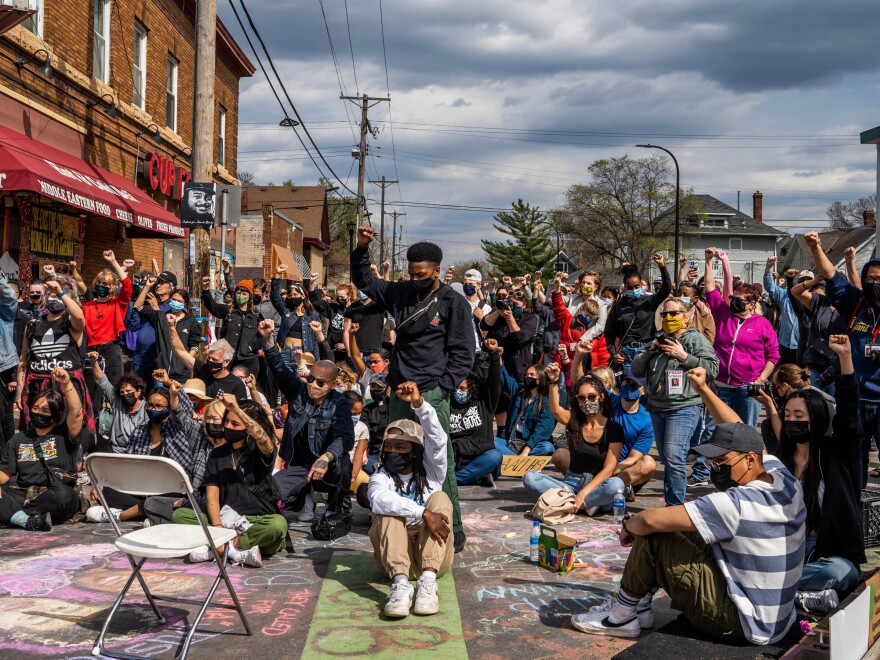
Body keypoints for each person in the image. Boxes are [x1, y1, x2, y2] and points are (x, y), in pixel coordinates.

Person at [570, 384, 806, 644]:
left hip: (743, 623)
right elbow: (740, 428)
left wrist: (629, 525)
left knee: (654, 533)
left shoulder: (737, 503)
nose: (717, 469)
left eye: (722, 462)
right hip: (776, 618)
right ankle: (641, 605)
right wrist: (703, 388)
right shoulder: (782, 476)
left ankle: (622, 616)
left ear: (750, 460)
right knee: (681, 524)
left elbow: (647, 521)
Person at [352, 227, 475, 552]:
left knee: (439, 457)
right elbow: (365, 281)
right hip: (399, 390)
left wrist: (443, 387)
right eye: (412, 274)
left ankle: (453, 525)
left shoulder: (453, 302)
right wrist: (362, 248)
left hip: (433, 391)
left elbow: (464, 352)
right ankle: (399, 512)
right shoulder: (400, 292)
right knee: (395, 451)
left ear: (436, 270)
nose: (416, 279)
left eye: (422, 275)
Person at [771, 335, 864, 612]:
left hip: (829, 553)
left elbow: (849, 415)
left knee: (839, 573)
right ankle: (798, 595)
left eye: (800, 416)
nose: (792, 421)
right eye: (788, 415)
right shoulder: (781, 461)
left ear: (818, 417)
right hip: (788, 549)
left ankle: (772, 588)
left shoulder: (836, 454)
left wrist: (845, 359)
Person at [368, 381, 454, 618]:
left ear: (415, 450)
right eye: (389, 447)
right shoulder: (380, 477)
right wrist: (423, 513)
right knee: (387, 508)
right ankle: (401, 586)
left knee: (440, 497)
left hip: (433, 561)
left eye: (401, 446)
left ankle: (427, 586)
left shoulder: (432, 472)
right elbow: (378, 499)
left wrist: (419, 404)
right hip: (395, 561)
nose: (393, 452)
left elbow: (438, 440)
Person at [258, 319, 354, 523]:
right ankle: (303, 497)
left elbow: (344, 438)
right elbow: (280, 370)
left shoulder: (339, 403)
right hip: (299, 465)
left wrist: (325, 458)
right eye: (311, 378)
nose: (313, 384)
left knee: (343, 464)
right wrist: (268, 339)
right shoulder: (298, 392)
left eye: (320, 382)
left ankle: (336, 507)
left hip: (326, 463)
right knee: (268, 493)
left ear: (331, 384)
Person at [174, 396, 287, 567]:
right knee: (180, 516)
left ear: (249, 429)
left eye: (235, 424)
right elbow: (212, 493)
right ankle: (237, 550)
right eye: (226, 421)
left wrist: (238, 410)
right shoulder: (217, 454)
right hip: (224, 520)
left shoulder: (259, 451)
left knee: (277, 525)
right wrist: (218, 527)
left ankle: (219, 548)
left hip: (254, 521)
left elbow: (265, 440)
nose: (227, 426)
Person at [631, 296, 719, 505]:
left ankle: (676, 506)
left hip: (684, 407)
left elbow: (713, 368)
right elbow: (636, 370)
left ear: (686, 316)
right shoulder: (660, 339)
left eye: (674, 313)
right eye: (664, 314)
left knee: (674, 456)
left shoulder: (694, 339)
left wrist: (684, 356)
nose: (668, 317)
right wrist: (649, 352)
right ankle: (672, 502)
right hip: (657, 406)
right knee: (668, 459)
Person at [85, 370, 204, 524]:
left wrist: (169, 383)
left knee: (157, 501)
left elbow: (185, 409)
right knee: (104, 493)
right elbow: (126, 463)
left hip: (173, 490)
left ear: (169, 408)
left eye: (159, 406)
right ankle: (149, 513)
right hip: (143, 489)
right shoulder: (140, 431)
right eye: (151, 405)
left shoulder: (177, 429)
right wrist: (103, 483)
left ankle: (121, 516)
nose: (154, 410)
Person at [523, 364, 626, 516]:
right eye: (581, 398)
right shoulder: (575, 421)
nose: (587, 401)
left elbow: (608, 470)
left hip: (596, 487)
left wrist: (583, 494)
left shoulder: (613, 428)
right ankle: (582, 505)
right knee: (530, 478)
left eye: (592, 396)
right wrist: (553, 382)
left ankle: (571, 503)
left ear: (601, 397)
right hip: (570, 484)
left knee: (616, 485)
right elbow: (556, 410)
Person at [0, 369, 87, 531]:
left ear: (56, 415)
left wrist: (66, 383)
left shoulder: (64, 434)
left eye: (45, 410)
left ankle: (13, 516)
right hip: (25, 496)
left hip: (56, 496)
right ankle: (29, 521)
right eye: (36, 408)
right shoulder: (17, 440)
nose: (38, 412)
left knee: (65, 495)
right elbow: (4, 474)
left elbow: (76, 412)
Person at [703, 247, 779, 428]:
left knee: (745, 429)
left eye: (740, 300)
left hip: (747, 387)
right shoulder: (723, 313)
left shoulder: (762, 324)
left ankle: (746, 456)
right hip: (721, 385)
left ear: (752, 303)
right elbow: (710, 289)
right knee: (717, 428)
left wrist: (761, 378)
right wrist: (708, 261)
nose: (734, 302)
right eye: (733, 298)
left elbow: (773, 355)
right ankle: (709, 458)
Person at [16, 273, 93, 435]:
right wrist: (19, 392)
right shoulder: (32, 324)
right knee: (36, 431)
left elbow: (79, 316)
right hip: (37, 387)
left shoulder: (71, 324)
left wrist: (61, 292)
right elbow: (23, 361)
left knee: (67, 432)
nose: (54, 298)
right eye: (51, 294)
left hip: (66, 386)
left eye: (59, 295)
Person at [81, 250, 132, 411]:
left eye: (106, 284)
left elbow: (127, 286)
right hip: (90, 351)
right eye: (100, 283)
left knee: (116, 391)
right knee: (91, 393)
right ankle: (92, 429)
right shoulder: (87, 306)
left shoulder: (117, 303)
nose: (101, 286)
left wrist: (114, 262)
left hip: (111, 349)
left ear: (112, 288)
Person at [605, 254, 671, 375]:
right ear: (625, 287)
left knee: (649, 387)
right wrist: (613, 353)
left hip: (648, 349)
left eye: (637, 286)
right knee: (632, 389)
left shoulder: (649, 301)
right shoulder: (618, 306)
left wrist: (662, 266)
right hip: (627, 353)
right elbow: (609, 332)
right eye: (630, 287)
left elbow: (667, 288)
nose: (634, 290)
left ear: (641, 284)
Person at [450, 338, 503, 485]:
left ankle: (454, 480)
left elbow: (494, 381)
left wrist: (494, 355)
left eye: (462, 389)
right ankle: (475, 476)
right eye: (456, 388)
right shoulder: (448, 404)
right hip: (457, 457)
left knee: (495, 456)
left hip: (480, 456)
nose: (458, 392)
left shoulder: (484, 403)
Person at [129, 281, 202, 385]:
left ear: (185, 304)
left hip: (181, 375)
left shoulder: (191, 321)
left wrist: (187, 363)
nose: (176, 302)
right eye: (173, 300)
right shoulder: (161, 316)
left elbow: (194, 345)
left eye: (179, 301)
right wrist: (147, 287)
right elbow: (138, 306)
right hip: (161, 371)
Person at [789, 271, 844, 394]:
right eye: (831, 285)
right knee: (812, 405)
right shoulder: (820, 302)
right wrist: (814, 281)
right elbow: (795, 292)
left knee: (835, 408)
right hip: (815, 364)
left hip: (839, 367)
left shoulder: (849, 306)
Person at [168, 319, 248, 401]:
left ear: (226, 362)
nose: (210, 362)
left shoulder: (236, 385)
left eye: (215, 359)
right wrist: (171, 327)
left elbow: (240, 410)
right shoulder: (203, 369)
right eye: (209, 358)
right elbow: (180, 351)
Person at [201, 274, 262, 376]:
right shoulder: (228, 311)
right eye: (238, 293)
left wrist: (252, 347)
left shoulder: (256, 315)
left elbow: (264, 337)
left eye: (244, 294)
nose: (240, 296)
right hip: (228, 358)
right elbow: (213, 307)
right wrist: (206, 290)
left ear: (250, 296)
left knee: (246, 388)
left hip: (248, 360)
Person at [495, 362, 557, 457]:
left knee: (548, 448)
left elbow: (543, 429)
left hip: (533, 444)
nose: (528, 377)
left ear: (541, 378)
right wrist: (496, 355)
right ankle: (517, 456)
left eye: (532, 375)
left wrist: (527, 449)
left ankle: (514, 456)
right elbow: (504, 376)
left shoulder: (547, 400)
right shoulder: (519, 391)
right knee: (490, 441)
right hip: (513, 443)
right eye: (527, 374)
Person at [89, 354, 147, 453]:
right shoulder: (117, 401)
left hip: (138, 452)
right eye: (122, 392)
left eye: (128, 391)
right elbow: (102, 381)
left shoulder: (147, 409)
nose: (125, 394)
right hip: (115, 450)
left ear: (138, 391)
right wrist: (93, 362)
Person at [480, 286, 538, 383]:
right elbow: (484, 325)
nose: (512, 306)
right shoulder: (499, 311)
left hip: (515, 366)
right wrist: (498, 312)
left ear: (524, 305)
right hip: (493, 361)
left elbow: (520, 338)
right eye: (511, 302)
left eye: (516, 303)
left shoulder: (530, 318)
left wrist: (510, 317)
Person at [127, 270, 177, 382]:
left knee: (155, 397)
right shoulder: (147, 304)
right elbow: (133, 325)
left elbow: (165, 328)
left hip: (157, 362)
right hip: (139, 358)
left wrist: (156, 309)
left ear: (171, 287)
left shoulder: (172, 307)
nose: (158, 285)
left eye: (163, 283)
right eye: (158, 282)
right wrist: (146, 287)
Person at [271, 266, 320, 366]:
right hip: (285, 350)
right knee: (283, 379)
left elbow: (315, 340)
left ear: (302, 296)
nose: (292, 297)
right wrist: (277, 275)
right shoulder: (286, 312)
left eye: (295, 294)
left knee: (300, 379)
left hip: (302, 352)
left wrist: (317, 361)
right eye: (290, 295)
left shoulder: (312, 315)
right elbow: (276, 296)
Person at [763, 257, 800, 365]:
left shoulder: (813, 299)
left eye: (806, 281)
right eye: (801, 280)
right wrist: (768, 268)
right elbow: (770, 287)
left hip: (803, 346)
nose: (802, 284)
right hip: (784, 344)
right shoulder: (785, 295)